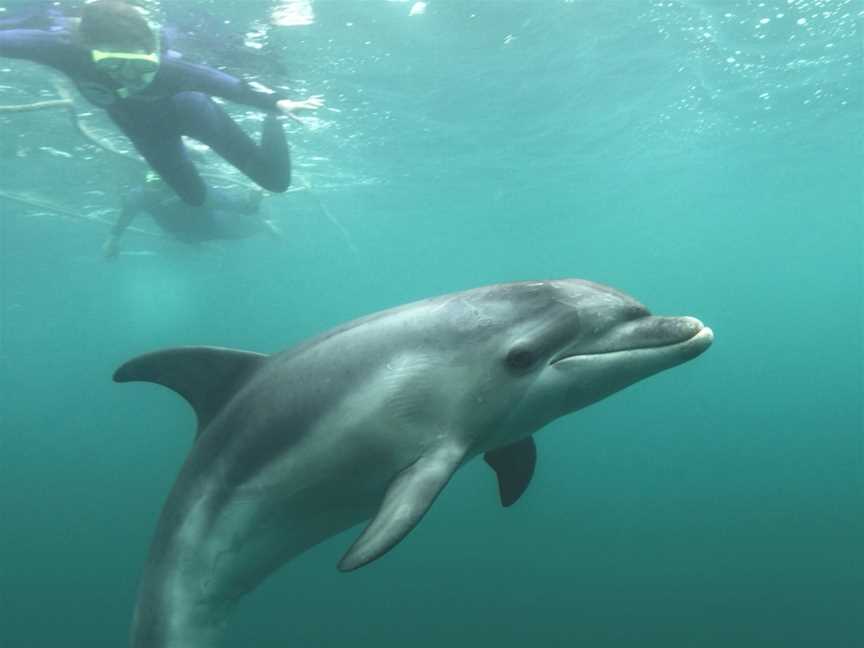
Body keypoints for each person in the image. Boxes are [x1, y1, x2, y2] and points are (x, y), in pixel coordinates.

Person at [0, 0, 323, 206]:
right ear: (88, 52)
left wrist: (278, 105)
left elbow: (228, 86)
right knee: (194, 198)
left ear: (152, 53)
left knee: (275, 182)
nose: (130, 77)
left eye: (141, 66)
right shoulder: (62, 49)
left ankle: (272, 125)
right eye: (114, 66)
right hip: (142, 131)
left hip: (193, 113)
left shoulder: (173, 69)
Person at [103, 172, 283, 258]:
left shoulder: (197, 190)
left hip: (215, 227)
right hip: (182, 234)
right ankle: (202, 247)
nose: (163, 193)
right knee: (183, 242)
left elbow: (239, 207)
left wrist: (254, 199)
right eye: (155, 186)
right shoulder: (139, 196)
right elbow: (125, 216)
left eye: (166, 187)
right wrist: (112, 239)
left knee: (243, 230)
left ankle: (264, 224)